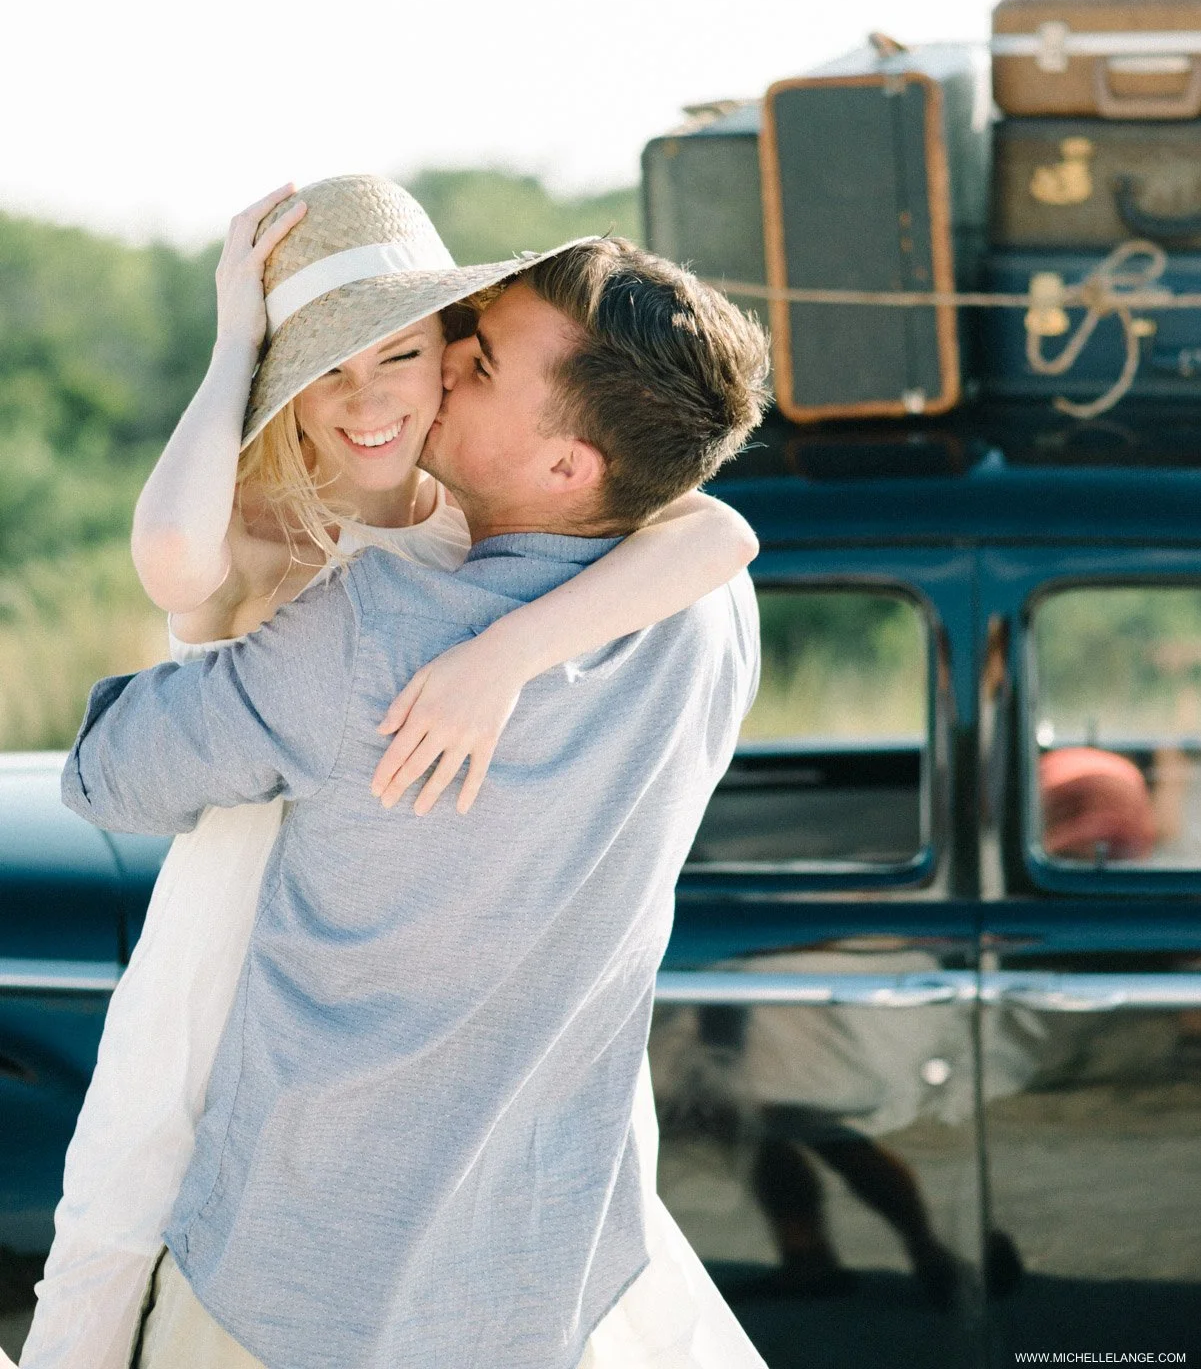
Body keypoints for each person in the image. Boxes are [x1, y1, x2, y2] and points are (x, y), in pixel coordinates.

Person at [22, 178, 770, 1369]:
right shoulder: (709, 617)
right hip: (546, 1276)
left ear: (571, 465)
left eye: (473, 364)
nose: (450, 364)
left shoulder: (369, 631)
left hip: (298, 1282)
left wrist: (473, 644)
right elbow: (721, 533)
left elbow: (112, 778)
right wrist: (513, 643)